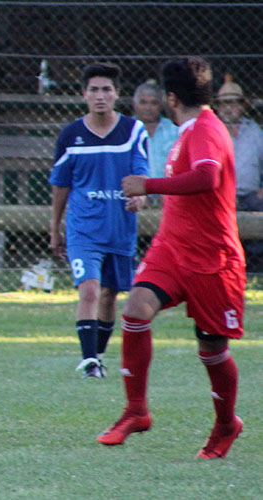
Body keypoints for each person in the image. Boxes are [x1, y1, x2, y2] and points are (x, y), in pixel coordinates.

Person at [102, 57, 246, 460]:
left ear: (170, 97)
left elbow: (207, 178)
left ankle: (225, 424)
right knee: (135, 310)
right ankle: (136, 410)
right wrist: (152, 194)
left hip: (213, 259)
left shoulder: (205, 130)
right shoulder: (188, 130)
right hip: (172, 248)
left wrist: (148, 182)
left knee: (212, 349)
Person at [48, 62, 149, 379]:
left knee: (109, 295)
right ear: (84, 94)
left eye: (107, 89)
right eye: (94, 89)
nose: (100, 95)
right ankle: (89, 361)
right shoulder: (71, 134)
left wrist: (140, 196)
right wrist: (55, 227)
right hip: (83, 230)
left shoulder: (133, 131)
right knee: (89, 290)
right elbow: (61, 185)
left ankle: (99, 355)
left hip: (119, 229)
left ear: (117, 94)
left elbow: (141, 173)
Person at [212, 75, 263, 266]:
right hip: (219, 194)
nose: (229, 107)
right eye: (224, 103)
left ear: (242, 106)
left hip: (251, 195)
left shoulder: (255, 131)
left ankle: (254, 263)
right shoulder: (212, 130)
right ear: (217, 106)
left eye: (234, 103)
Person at [133, 79, 179, 181]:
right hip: (135, 193)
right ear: (134, 104)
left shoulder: (175, 129)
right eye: (143, 102)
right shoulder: (126, 129)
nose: (148, 108)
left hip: (168, 191)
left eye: (154, 103)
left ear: (161, 106)